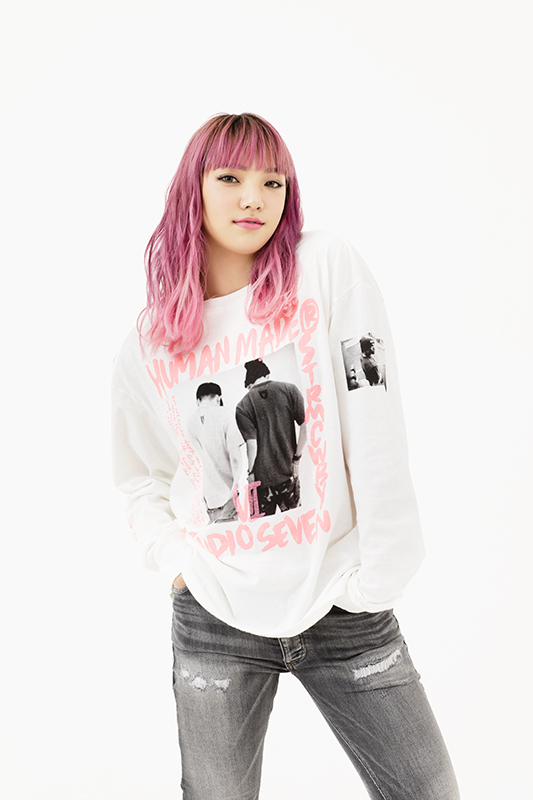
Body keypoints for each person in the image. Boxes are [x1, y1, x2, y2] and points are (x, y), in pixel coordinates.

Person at [112, 113, 460, 799]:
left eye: (273, 182)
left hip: (342, 606)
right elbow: (140, 477)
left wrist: (382, 572)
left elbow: (373, 414)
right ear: (191, 190)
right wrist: (177, 562)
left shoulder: (324, 267)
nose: (254, 198)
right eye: (230, 178)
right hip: (214, 615)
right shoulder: (149, 342)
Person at [235, 357, 306, 516]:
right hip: (288, 475)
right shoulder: (290, 390)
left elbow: (252, 445)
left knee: (262, 527)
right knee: (297, 522)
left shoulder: (242, 406)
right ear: (267, 375)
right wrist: (296, 458)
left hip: (260, 483)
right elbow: (305, 427)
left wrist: (250, 473)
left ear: (249, 384)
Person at [186, 382, 244, 523]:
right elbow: (235, 457)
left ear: (198, 401)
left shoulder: (190, 422)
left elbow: (199, 461)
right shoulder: (227, 414)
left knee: (218, 536)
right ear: (218, 398)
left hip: (209, 498)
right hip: (228, 495)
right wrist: (236, 487)